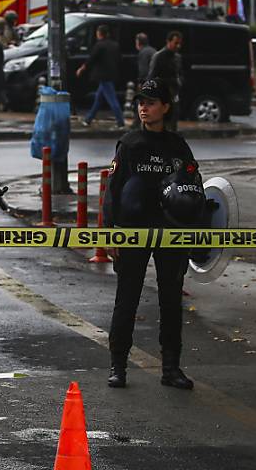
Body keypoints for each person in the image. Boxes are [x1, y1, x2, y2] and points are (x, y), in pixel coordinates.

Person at [102, 79, 198, 392]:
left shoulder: (178, 146)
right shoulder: (129, 143)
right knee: (126, 299)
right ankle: (118, 366)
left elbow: (195, 190)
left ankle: (171, 367)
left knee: (171, 301)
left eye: (152, 102)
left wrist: (197, 235)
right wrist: (108, 232)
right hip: (132, 233)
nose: (144, 107)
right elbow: (112, 192)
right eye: (141, 102)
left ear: (166, 107)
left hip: (171, 234)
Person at [77, 25, 124, 129]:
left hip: (103, 76)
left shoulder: (99, 45)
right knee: (98, 99)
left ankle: (120, 122)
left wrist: (82, 68)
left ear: (99, 34)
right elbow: (119, 59)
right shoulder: (115, 45)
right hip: (112, 74)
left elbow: (91, 59)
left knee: (112, 99)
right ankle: (88, 119)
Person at [148, 30, 184, 132]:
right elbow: (152, 75)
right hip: (162, 94)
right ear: (168, 42)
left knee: (173, 122)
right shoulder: (159, 57)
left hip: (174, 94)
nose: (178, 46)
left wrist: (179, 82)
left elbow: (180, 73)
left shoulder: (177, 57)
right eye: (175, 43)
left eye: (179, 44)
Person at [131, 32, 157, 130]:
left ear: (138, 42)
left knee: (141, 102)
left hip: (147, 81)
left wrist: (141, 82)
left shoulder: (143, 53)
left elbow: (143, 70)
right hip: (155, 81)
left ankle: (137, 124)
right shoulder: (153, 50)